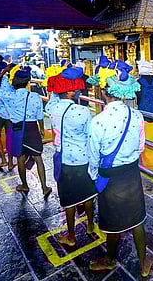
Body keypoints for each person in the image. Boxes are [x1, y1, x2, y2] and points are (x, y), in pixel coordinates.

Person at [86, 59, 153, 278]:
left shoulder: (98, 121)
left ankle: (109, 259)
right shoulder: (137, 115)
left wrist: (94, 176)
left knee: (113, 220)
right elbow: (141, 146)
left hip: (110, 176)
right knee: (137, 219)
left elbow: (93, 156)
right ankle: (144, 264)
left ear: (105, 93)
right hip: (132, 173)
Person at [45, 66, 96, 247]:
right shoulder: (83, 112)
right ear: (70, 92)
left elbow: (52, 95)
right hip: (83, 159)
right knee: (88, 194)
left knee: (69, 200)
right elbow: (90, 137)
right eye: (74, 89)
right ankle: (90, 225)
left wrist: (58, 82)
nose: (77, 92)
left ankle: (72, 235)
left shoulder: (51, 108)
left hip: (64, 159)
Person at [0, 65, 52, 197]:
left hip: (17, 130)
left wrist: (4, 71)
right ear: (28, 82)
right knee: (38, 158)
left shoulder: (8, 96)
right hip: (32, 129)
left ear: (13, 83)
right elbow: (40, 116)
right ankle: (44, 187)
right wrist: (41, 129)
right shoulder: (35, 96)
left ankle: (24, 185)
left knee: (20, 157)